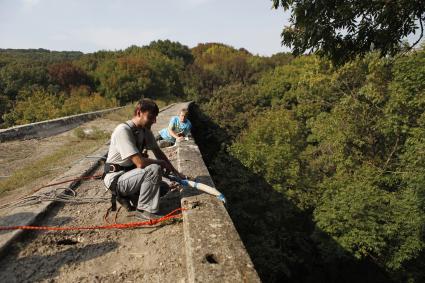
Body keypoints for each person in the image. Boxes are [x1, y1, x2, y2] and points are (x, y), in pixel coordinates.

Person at [103, 99, 185, 220]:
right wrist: (160, 164)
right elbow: (140, 163)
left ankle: (131, 197)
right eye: (151, 117)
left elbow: (158, 153)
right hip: (116, 179)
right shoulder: (123, 130)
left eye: (155, 117)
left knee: (163, 188)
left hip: (129, 175)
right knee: (153, 169)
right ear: (139, 112)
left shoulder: (145, 131)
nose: (154, 121)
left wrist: (176, 172)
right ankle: (144, 210)